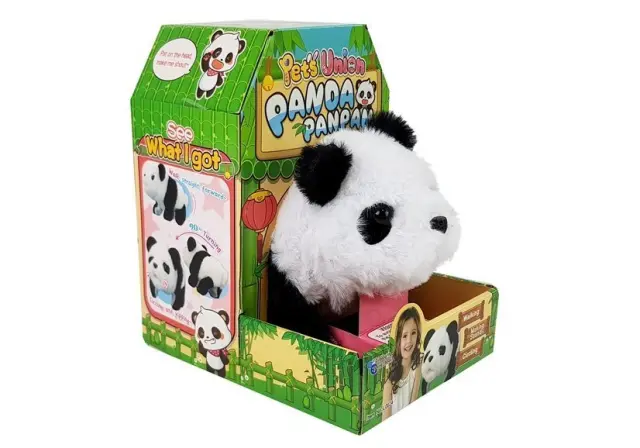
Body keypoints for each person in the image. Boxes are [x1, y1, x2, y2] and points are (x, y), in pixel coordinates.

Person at [382, 306, 422, 420]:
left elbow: (413, 402)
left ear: (418, 335)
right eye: (404, 336)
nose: (409, 341)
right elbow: (385, 420)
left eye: (413, 333)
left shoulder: (417, 367)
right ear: (398, 340)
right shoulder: (389, 385)